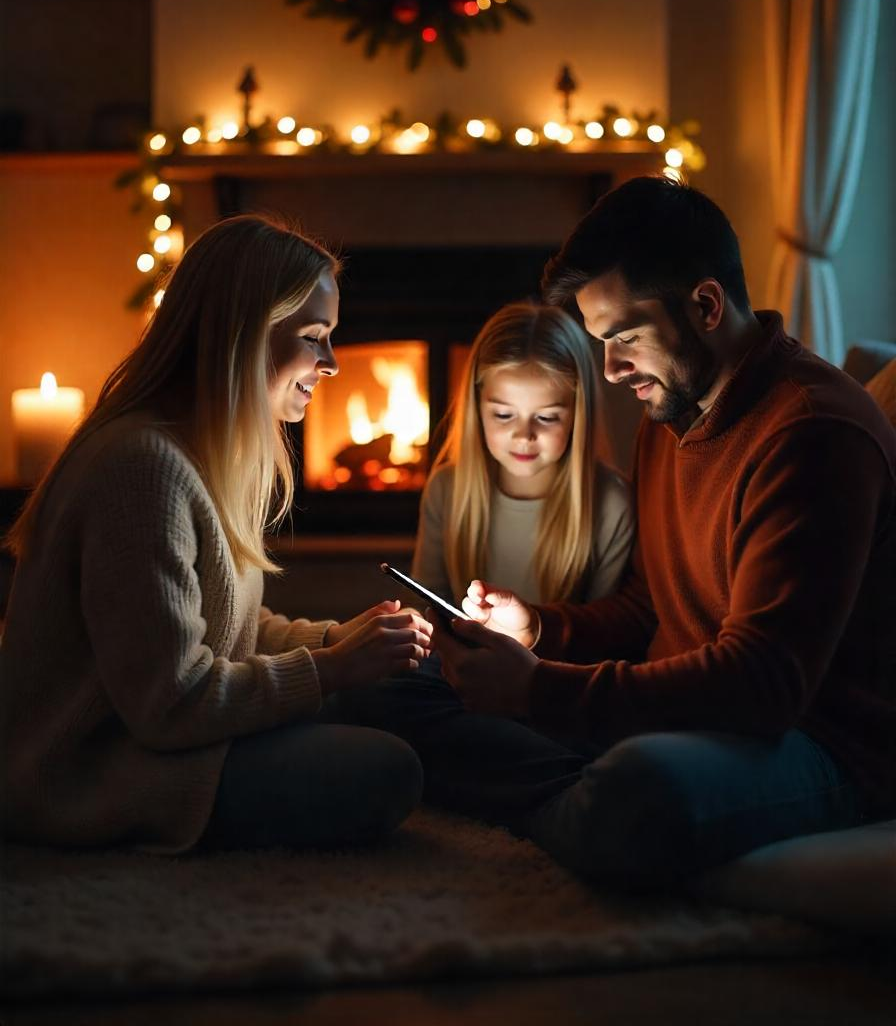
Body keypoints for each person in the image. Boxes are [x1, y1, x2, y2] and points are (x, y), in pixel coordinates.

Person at [345, 176, 896, 893]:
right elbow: (646, 610)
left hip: (814, 747)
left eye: (623, 337)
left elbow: (765, 687)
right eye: (600, 341)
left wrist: (541, 693)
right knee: (384, 689)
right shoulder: (672, 407)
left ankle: (588, 803)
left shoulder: (814, 432)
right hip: (675, 716)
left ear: (704, 305)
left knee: (638, 791)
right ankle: (577, 795)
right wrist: (534, 628)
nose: (609, 368)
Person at [0, 213, 432, 855]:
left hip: (168, 739)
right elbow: (169, 702)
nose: (332, 362)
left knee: (406, 694)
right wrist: (333, 668)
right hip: (99, 772)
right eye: (314, 337)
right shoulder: (142, 468)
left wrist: (338, 640)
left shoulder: (200, 455)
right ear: (244, 335)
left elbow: (228, 629)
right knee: (386, 769)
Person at [412, 300, 633, 610]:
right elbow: (427, 607)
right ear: (477, 409)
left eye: (547, 417)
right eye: (503, 415)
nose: (524, 435)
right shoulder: (446, 489)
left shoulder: (612, 503)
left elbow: (603, 628)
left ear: (576, 415)